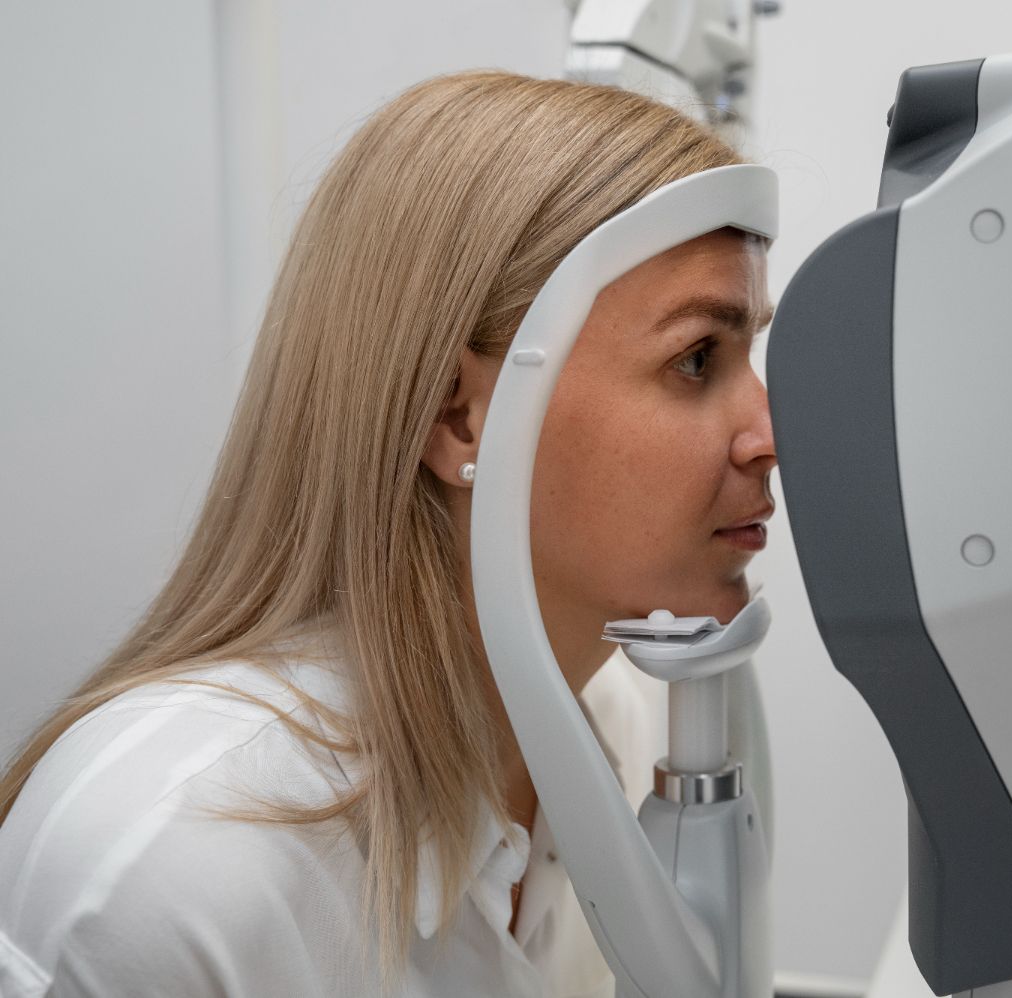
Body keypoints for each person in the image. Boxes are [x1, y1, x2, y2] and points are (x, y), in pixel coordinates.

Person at [0, 69, 776, 997]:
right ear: (458, 418)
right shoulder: (168, 865)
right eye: (696, 358)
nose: (770, 435)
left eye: (749, 354)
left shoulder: (613, 721)